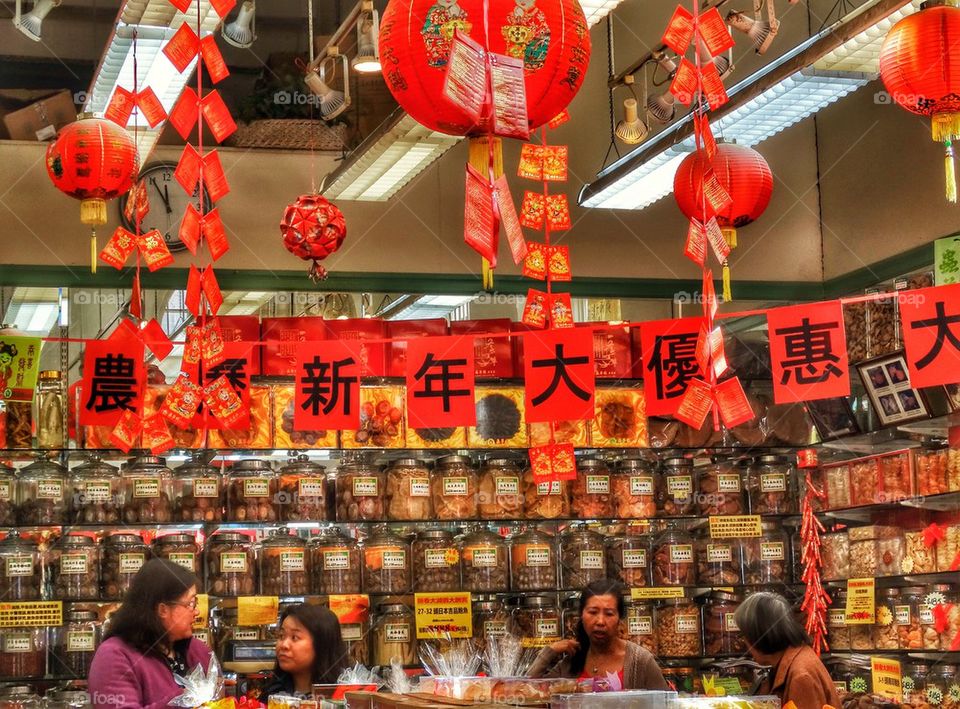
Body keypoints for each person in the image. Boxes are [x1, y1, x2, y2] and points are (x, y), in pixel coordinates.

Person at [88, 559, 213, 709]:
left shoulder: (199, 650)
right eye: (190, 603)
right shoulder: (115, 655)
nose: (197, 611)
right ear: (162, 610)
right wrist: (180, 701)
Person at [528, 580, 668, 691]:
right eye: (593, 612)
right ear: (581, 615)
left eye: (609, 614)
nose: (600, 621)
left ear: (620, 618)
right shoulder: (572, 662)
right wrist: (550, 651)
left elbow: (665, 703)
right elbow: (528, 689)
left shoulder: (640, 661)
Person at [733, 591, 841, 708]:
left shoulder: (800, 676)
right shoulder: (793, 659)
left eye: (742, 635)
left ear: (757, 636)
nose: (744, 642)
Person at [262, 604, 351, 699]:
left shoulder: (344, 697)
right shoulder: (272, 694)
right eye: (281, 636)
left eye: (294, 637)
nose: (284, 645)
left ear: (322, 644)